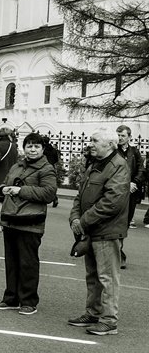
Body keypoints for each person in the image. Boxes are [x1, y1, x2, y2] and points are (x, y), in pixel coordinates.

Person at [68, 130, 129, 336]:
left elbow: (112, 202)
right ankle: (93, 313)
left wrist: (82, 221)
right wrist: (75, 218)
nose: (90, 144)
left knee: (107, 278)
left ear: (110, 144)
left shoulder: (118, 166)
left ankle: (109, 320)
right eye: (90, 140)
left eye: (95, 141)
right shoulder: (95, 163)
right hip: (92, 230)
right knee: (93, 276)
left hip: (106, 231)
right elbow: (81, 195)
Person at [0, 133, 57, 315]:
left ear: (43, 149)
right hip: (11, 219)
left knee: (28, 263)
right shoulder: (17, 165)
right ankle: (11, 298)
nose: (33, 149)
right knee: (12, 262)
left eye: (36, 146)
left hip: (31, 221)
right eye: (29, 146)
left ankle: (28, 301)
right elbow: (4, 183)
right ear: (24, 148)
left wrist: (21, 190)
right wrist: (2, 189)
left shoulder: (46, 169)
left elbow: (49, 193)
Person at [115, 125, 145, 268]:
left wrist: (135, 182)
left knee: (125, 222)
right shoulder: (113, 151)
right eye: (118, 135)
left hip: (131, 193)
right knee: (115, 221)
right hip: (116, 191)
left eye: (123, 136)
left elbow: (141, 169)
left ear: (129, 137)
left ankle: (119, 249)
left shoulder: (135, 152)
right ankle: (118, 253)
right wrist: (125, 184)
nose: (120, 138)